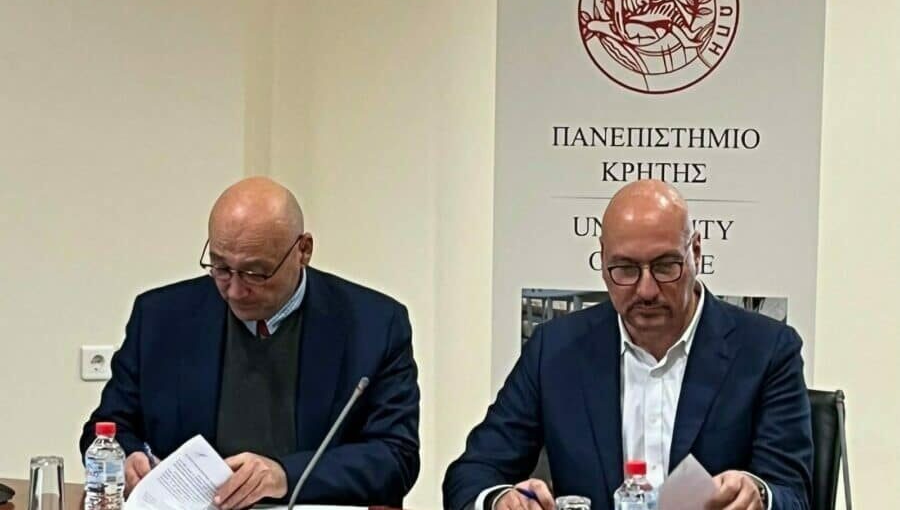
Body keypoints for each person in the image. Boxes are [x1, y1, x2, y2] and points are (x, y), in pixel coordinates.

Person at [443, 180, 812, 510]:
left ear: (696, 253)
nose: (646, 290)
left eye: (665, 266)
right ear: (602, 261)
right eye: (625, 269)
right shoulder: (554, 351)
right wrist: (499, 500)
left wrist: (759, 495)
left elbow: (794, 495)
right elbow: (471, 475)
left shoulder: (765, 351)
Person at [80, 177, 419, 509]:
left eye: (256, 273)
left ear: (303, 250)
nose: (235, 290)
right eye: (221, 267)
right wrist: (127, 459)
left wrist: (285, 475)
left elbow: (396, 457)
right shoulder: (161, 317)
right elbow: (106, 429)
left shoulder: (374, 325)